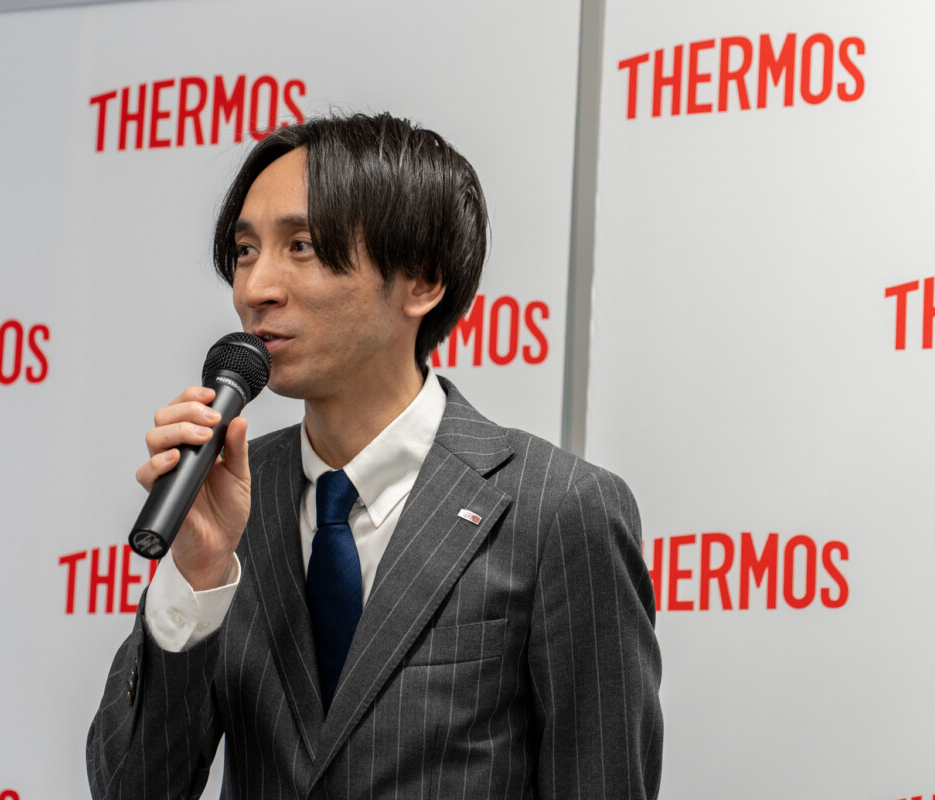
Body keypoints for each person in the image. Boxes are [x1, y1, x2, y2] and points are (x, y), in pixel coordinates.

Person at [87, 112, 663, 799]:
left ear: (422, 280)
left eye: (301, 246)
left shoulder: (556, 509)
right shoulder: (229, 495)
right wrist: (197, 576)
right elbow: (131, 789)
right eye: (245, 250)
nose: (256, 288)